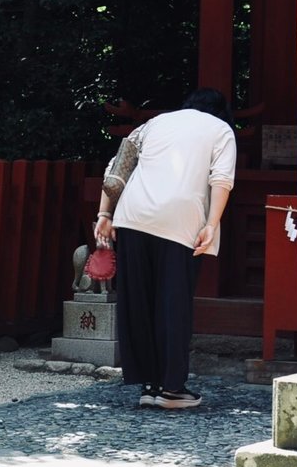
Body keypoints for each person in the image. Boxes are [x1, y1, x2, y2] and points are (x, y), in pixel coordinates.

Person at [95, 87, 235, 409]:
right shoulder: (222, 130)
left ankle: (149, 385)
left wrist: (104, 214)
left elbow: (118, 166)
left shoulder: (156, 123)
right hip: (180, 220)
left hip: (132, 215)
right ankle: (172, 389)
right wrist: (211, 224)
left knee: (140, 302)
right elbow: (222, 179)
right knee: (173, 303)